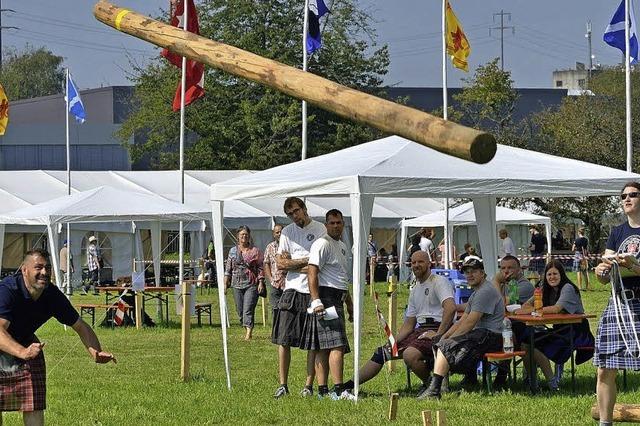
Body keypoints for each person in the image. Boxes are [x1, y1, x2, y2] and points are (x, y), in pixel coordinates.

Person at [0, 250, 115, 425]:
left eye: (48, 268)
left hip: (25, 341)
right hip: (6, 340)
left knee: (34, 403)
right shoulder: (8, 290)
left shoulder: (52, 295)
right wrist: (22, 352)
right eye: (38, 267)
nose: (44, 273)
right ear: (24, 270)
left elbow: (80, 326)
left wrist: (96, 352)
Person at [344, 250, 456, 397]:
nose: (416, 265)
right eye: (413, 262)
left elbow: (451, 308)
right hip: (420, 330)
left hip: (440, 329)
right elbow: (409, 324)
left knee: (410, 354)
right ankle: (348, 386)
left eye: (420, 262)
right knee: (381, 352)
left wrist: (439, 334)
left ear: (429, 263)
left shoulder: (439, 282)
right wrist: (393, 341)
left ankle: (432, 386)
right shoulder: (415, 289)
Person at [422, 257, 504, 399]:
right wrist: (444, 336)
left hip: (492, 337)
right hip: (482, 334)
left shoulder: (485, 292)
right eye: (467, 272)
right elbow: (462, 321)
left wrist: (450, 340)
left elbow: (470, 323)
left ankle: (434, 390)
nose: (469, 275)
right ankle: (439, 387)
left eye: (474, 271)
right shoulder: (477, 292)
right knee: (442, 343)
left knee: (445, 347)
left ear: (482, 273)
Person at [594, 182, 640, 426]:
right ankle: (605, 422)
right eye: (623, 196)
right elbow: (603, 277)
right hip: (619, 304)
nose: (627, 199)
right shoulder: (617, 232)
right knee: (604, 368)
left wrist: (632, 265)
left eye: (633, 194)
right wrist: (602, 271)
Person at [272, 197, 327, 398]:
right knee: (283, 339)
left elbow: (321, 263)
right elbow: (281, 264)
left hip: (313, 291)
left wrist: (295, 262)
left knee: (312, 342)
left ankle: (308, 385)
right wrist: (308, 261)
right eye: (290, 213)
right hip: (291, 290)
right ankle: (283, 385)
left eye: (296, 211)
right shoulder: (287, 232)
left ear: (304, 209)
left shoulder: (321, 229)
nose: (294, 216)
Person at [515, 259, 593, 391]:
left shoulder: (567, 288)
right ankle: (532, 383)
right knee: (526, 343)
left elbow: (556, 309)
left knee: (535, 345)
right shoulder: (544, 288)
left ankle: (552, 384)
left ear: (561, 274)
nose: (552, 277)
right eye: (549, 274)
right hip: (559, 329)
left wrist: (531, 310)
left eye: (555, 274)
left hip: (576, 332)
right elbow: (526, 305)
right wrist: (530, 307)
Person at [302, 209, 355, 400]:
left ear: (343, 224)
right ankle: (339, 390)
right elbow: (312, 272)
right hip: (325, 299)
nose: (335, 226)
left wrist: (349, 303)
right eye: (332, 223)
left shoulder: (341, 246)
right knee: (336, 346)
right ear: (326, 225)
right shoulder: (322, 243)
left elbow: (340, 277)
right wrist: (316, 300)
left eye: (338, 222)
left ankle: (323, 391)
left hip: (337, 297)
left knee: (324, 346)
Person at [224, 226, 265, 341]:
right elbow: (228, 269)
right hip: (236, 284)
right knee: (240, 309)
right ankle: (245, 324)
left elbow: (260, 267)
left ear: (249, 236)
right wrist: (225, 284)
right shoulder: (233, 251)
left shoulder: (255, 251)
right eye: (242, 234)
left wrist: (261, 282)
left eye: (246, 234)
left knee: (248, 308)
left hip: (251, 283)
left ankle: (248, 332)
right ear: (238, 236)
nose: (244, 236)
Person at [264, 224, 285, 318]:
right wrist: (270, 278)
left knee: (286, 308)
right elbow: (266, 263)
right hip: (275, 283)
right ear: (273, 234)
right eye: (277, 232)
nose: (279, 234)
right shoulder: (270, 247)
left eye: (281, 232)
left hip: (288, 283)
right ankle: (275, 331)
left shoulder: (289, 246)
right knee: (275, 309)